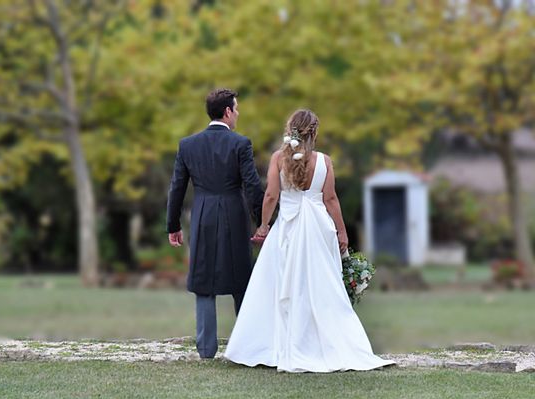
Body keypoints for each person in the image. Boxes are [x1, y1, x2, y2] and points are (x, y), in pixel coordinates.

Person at [224, 109, 394, 372]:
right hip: (317, 228)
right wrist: (342, 231)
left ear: (290, 129)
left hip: (288, 229)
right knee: (321, 284)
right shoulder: (325, 161)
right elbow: (330, 199)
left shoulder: (278, 159)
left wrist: (264, 225)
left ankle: (274, 344)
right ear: (314, 132)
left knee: (281, 284)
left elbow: (270, 195)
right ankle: (327, 343)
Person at [166, 88, 264, 359]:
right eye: (237, 108)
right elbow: (253, 186)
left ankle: (206, 349)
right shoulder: (240, 144)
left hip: (203, 215)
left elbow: (177, 188)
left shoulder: (188, 145)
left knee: (203, 277)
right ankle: (247, 346)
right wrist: (263, 222)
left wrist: (172, 225)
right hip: (234, 212)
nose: (239, 113)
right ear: (227, 112)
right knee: (241, 277)